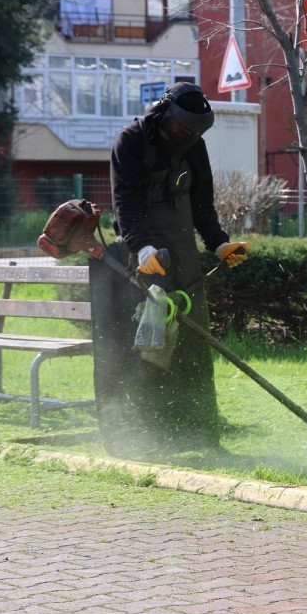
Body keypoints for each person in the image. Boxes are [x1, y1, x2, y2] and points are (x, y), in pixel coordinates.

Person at [88, 82, 247, 458]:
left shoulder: (194, 147)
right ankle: (151, 442)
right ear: (164, 114)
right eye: (183, 128)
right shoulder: (130, 142)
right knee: (150, 350)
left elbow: (202, 205)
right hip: (142, 260)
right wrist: (141, 248)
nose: (187, 137)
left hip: (185, 259)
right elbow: (124, 203)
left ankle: (203, 437)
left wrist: (219, 243)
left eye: (195, 132)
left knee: (194, 349)